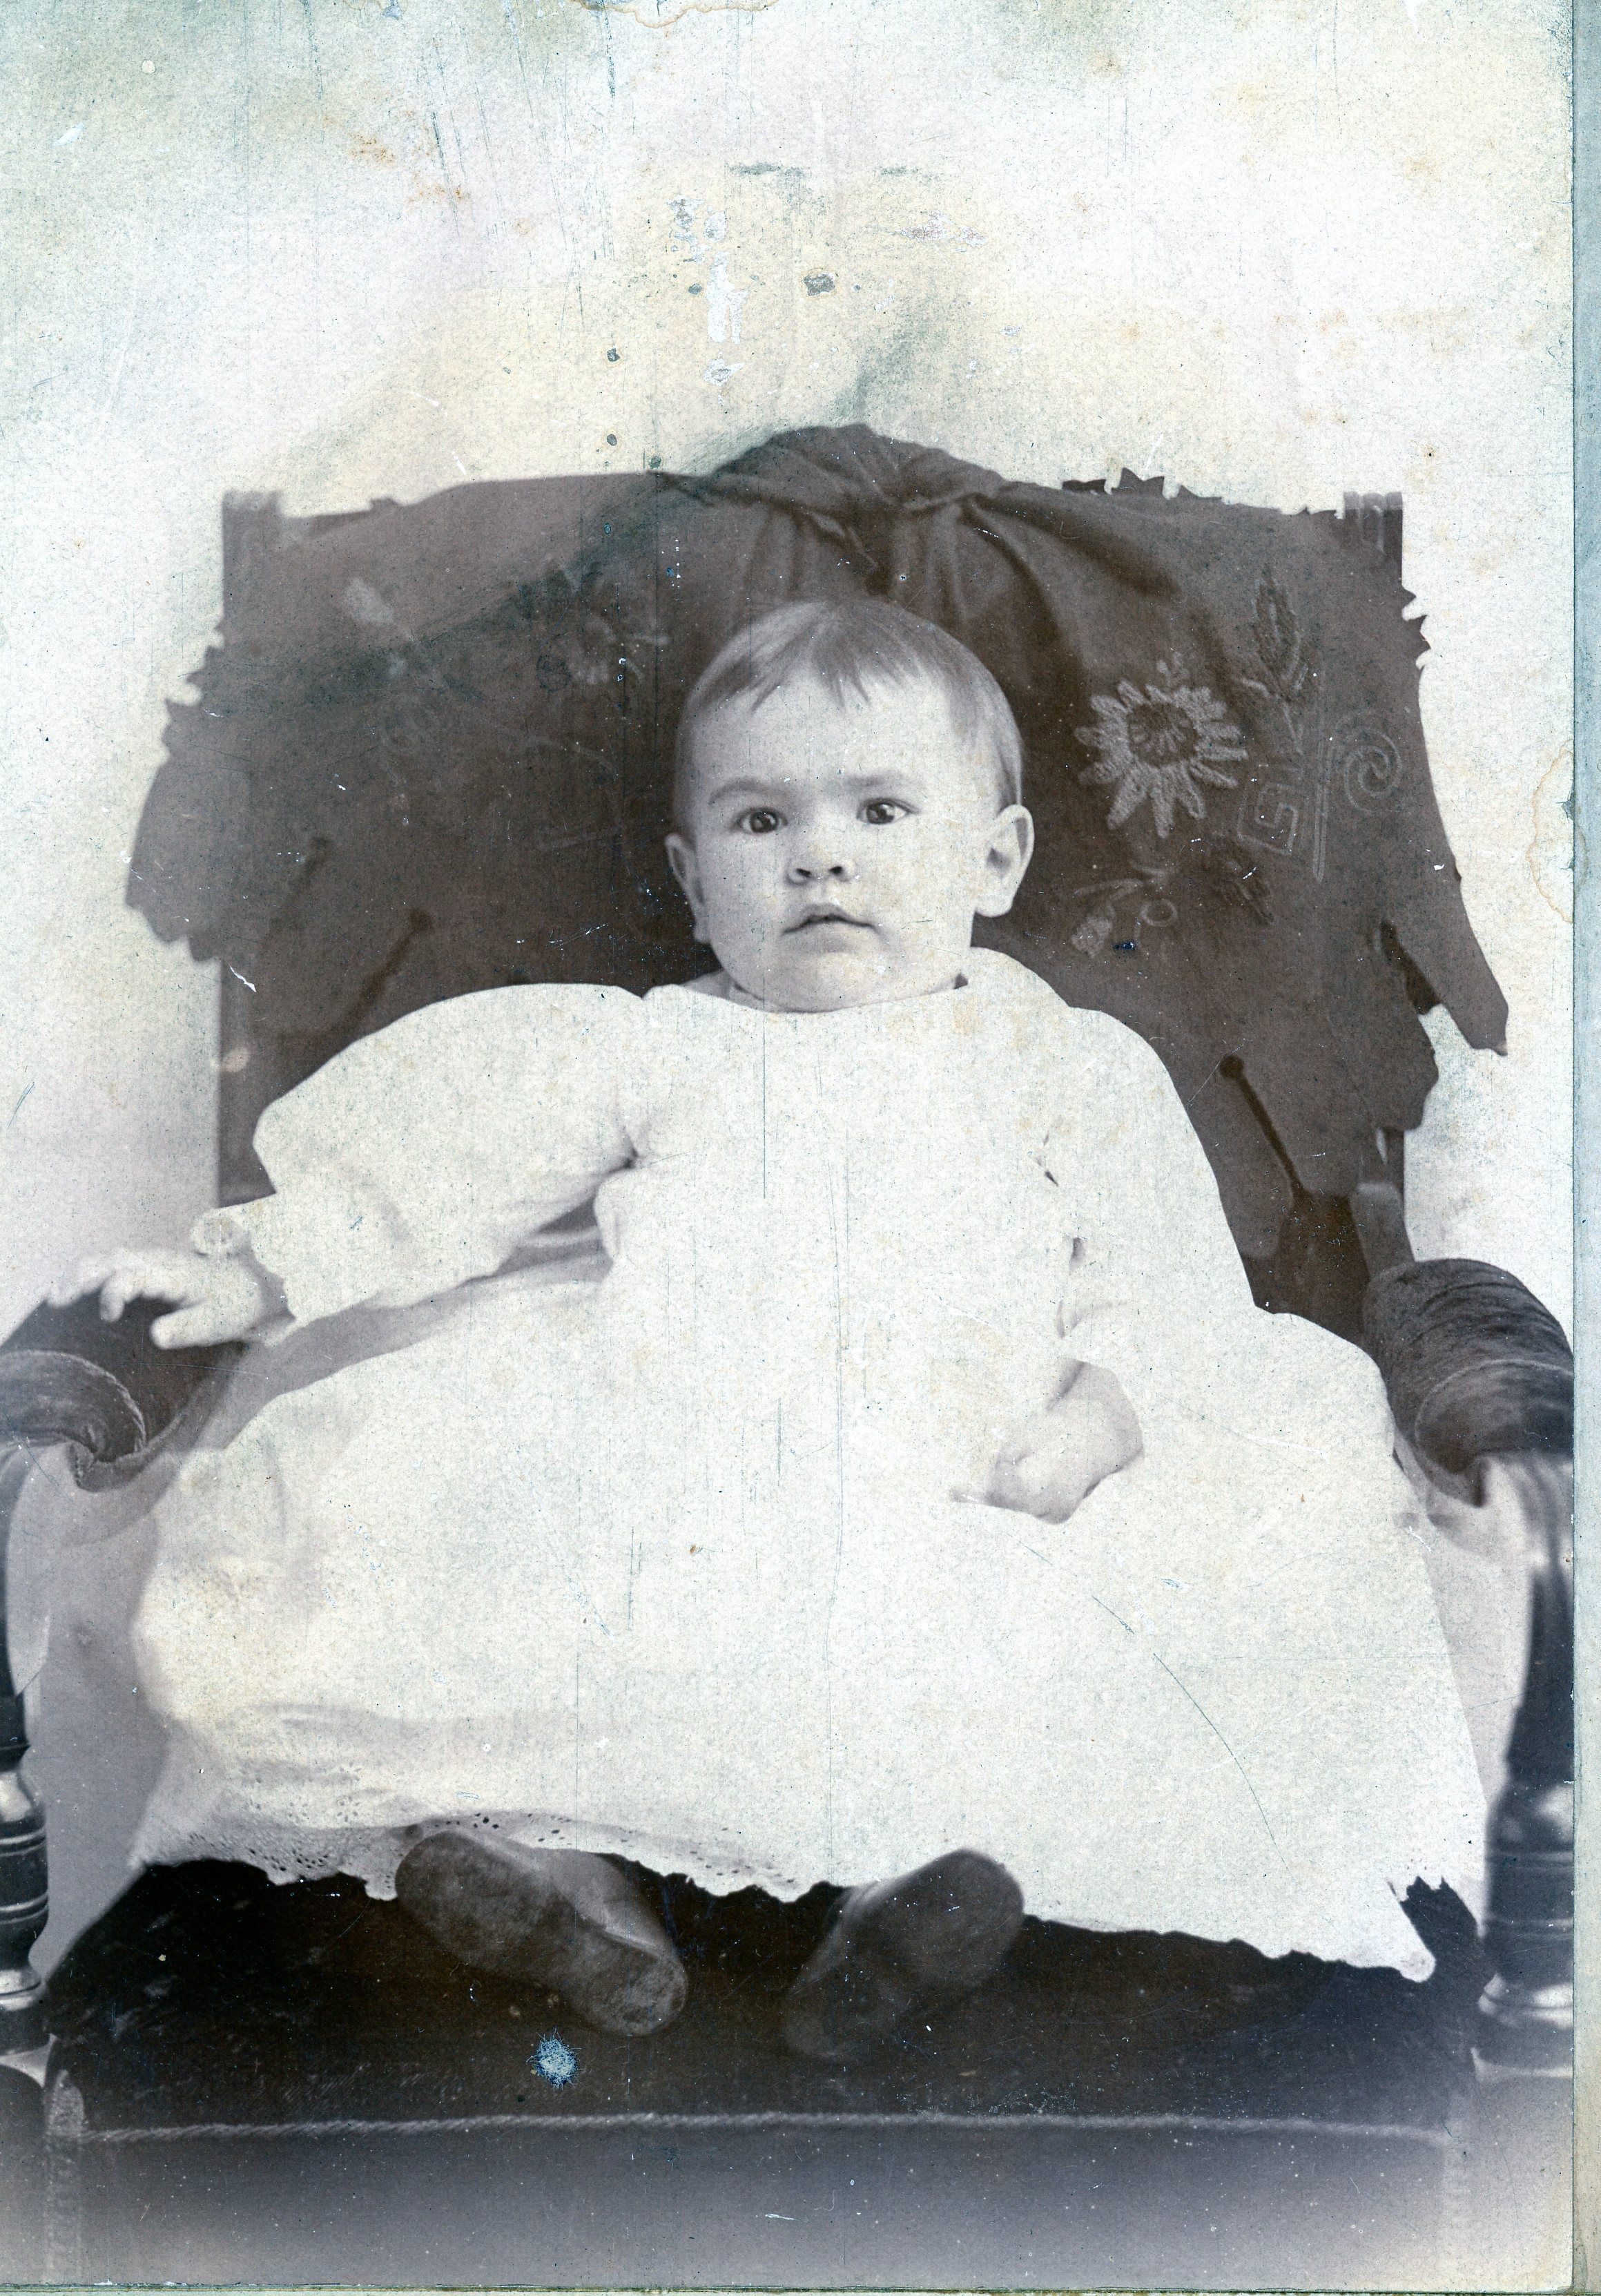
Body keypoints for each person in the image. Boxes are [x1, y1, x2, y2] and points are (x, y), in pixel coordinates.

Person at [56, 601, 1484, 2063]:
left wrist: (1097, 1418)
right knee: (479, 1588)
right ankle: (570, 1888)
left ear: (996, 859)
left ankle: (896, 1906)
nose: (818, 857)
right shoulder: (653, 1045)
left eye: (879, 810)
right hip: (673, 1462)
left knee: (1008, 1647)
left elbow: (1164, 1279)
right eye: (760, 820)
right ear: (693, 880)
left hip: (964, 1476)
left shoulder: (1059, 1058)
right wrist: (256, 1272)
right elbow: (443, 1173)